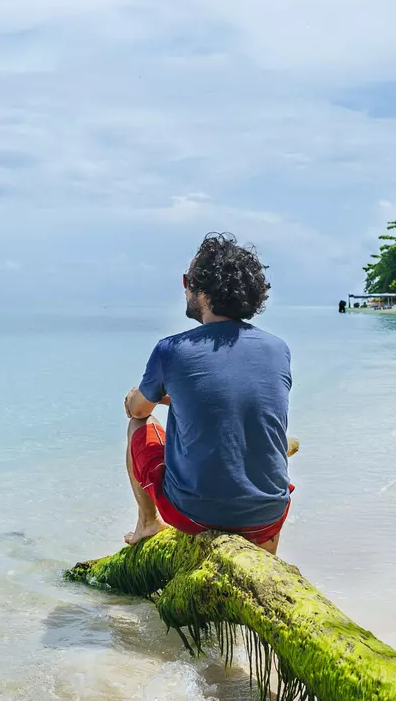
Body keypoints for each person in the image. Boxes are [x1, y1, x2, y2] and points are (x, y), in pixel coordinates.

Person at [121, 233, 293, 556]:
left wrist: (135, 398)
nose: (184, 287)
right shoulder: (279, 350)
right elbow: (239, 398)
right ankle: (266, 553)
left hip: (195, 516)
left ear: (203, 292)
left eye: (188, 280)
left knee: (136, 427)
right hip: (270, 514)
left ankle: (147, 523)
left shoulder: (171, 351)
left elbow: (139, 410)